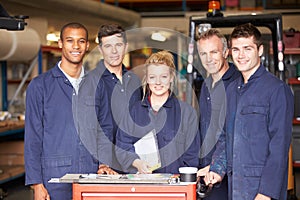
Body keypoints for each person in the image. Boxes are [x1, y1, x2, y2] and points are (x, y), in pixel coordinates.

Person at [24, 22, 116, 200]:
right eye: (69, 40)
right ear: (60, 44)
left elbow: (105, 129)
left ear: (87, 46)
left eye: (81, 41)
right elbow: (33, 137)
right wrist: (36, 184)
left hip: (91, 175)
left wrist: (104, 162)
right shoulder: (40, 85)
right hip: (54, 179)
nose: (76, 46)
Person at [206, 23, 294, 200]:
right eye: (236, 49)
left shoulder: (276, 90)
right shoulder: (231, 90)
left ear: (260, 50)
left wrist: (267, 192)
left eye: (247, 48)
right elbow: (225, 136)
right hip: (235, 186)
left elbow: (279, 145)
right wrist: (217, 168)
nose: (241, 55)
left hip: (261, 189)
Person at [115, 50, 199, 174]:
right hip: (143, 186)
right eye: (153, 77)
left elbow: (192, 156)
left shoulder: (187, 114)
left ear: (171, 77)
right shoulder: (134, 112)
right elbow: (122, 145)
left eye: (163, 77)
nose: (158, 82)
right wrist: (137, 163)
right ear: (147, 79)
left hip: (175, 189)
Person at [196, 28, 240, 200]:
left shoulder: (237, 84)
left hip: (228, 174)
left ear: (225, 52)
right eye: (203, 53)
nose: (209, 59)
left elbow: (234, 133)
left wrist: (216, 166)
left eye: (214, 52)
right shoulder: (206, 85)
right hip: (207, 174)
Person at [96, 23, 142, 172]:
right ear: (100, 49)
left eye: (118, 45)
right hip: (106, 167)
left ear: (126, 47)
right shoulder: (91, 82)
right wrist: (102, 163)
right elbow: (90, 129)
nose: (114, 51)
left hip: (133, 163)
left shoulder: (134, 80)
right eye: (108, 46)